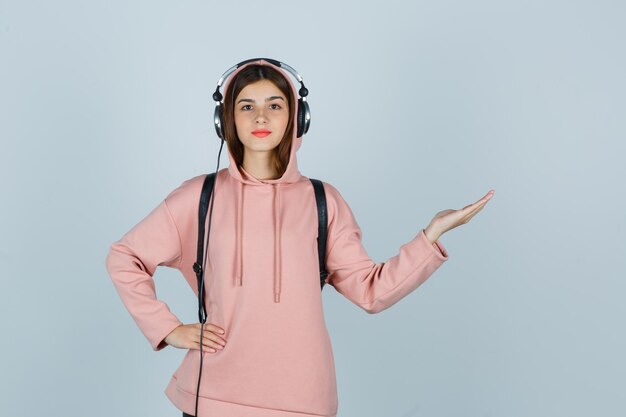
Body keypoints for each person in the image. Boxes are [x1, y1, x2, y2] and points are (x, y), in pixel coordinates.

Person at [105, 58, 494, 417]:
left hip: (303, 400)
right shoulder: (198, 197)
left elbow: (371, 292)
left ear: (296, 117)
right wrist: (167, 328)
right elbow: (125, 256)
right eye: (246, 106)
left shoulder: (323, 201)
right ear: (227, 120)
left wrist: (431, 235)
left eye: (275, 105)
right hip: (214, 397)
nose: (261, 116)